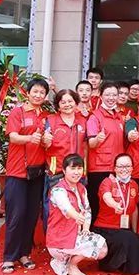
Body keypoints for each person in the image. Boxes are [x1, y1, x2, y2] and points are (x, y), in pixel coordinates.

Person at [1, 78, 50, 274]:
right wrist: (30, 138)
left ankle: (24, 254)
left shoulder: (45, 116)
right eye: (35, 91)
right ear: (27, 93)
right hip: (17, 172)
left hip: (37, 172)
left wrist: (46, 140)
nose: (38, 95)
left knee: (30, 216)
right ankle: (9, 257)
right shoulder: (18, 112)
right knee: (16, 215)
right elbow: (12, 136)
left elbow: (46, 142)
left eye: (42, 93)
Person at [46, 154, 108, 275]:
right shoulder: (58, 190)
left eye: (79, 168)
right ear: (64, 171)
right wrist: (77, 217)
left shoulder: (82, 188)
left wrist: (86, 228)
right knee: (98, 246)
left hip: (75, 235)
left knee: (102, 249)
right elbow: (66, 208)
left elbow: (87, 210)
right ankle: (69, 264)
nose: (76, 172)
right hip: (60, 238)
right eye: (72, 168)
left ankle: (68, 262)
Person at [42, 89, 87, 229]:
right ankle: (51, 238)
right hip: (57, 172)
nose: (67, 104)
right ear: (58, 105)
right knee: (54, 208)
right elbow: (44, 144)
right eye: (63, 102)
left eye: (70, 101)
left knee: (79, 206)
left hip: (78, 172)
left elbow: (87, 146)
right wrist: (45, 141)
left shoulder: (83, 121)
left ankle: (75, 237)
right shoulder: (50, 120)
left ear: (76, 103)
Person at [94, 153, 139, 275]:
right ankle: (109, 265)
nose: (124, 169)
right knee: (128, 239)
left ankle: (124, 265)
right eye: (121, 166)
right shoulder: (107, 182)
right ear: (115, 168)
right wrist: (114, 205)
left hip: (123, 228)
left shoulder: (134, 185)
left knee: (133, 239)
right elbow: (106, 197)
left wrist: (135, 231)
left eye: (127, 166)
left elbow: (134, 209)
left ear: (132, 168)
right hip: (105, 228)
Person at [86, 82, 124, 225]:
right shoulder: (95, 117)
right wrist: (97, 139)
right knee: (97, 203)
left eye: (114, 95)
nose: (111, 98)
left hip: (116, 167)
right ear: (101, 96)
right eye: (107, 94)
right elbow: (91, 143)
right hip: (99, 168)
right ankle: (92, 231)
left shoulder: (119, 117)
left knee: (113, 203)